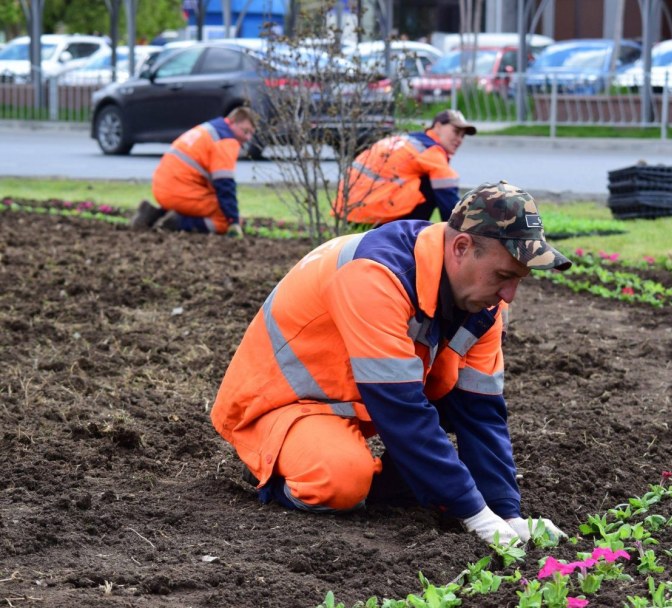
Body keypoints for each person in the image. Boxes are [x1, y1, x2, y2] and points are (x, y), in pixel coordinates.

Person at [211, 180, 571, 545]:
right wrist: (474, 514)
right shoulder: (375, 275)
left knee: (440, 458)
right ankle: (277, 469)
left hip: (356, 402)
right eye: (504, 276)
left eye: (519, 280)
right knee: (341, 480)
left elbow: (480, 413)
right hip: (278, 403)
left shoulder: (484, 304)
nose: (509, 294)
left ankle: (371, 476)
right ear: (461, 247)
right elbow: (401, 409)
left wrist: (506, 512)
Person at [332, 109, 476, 226]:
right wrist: (460, 231)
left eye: (463, 136)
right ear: (437, 127)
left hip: (347, 211)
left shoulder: (408, 140)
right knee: (432, 184)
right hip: (371, 215)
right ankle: (413, 234)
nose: (459, 139)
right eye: (456, 132)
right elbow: (449, 199)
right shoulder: (430, 151)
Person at [130, 106, 257, 237]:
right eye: (245, 131)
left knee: (215, 205)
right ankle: (178, 223)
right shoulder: (226, 141)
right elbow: (225, 184)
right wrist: (233, 221)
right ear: (232, 122)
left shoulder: (210, 129)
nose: (248, 138)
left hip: (162, 188)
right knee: (223, 219)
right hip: (180, 192)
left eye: (251, 133)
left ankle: (154, 214)